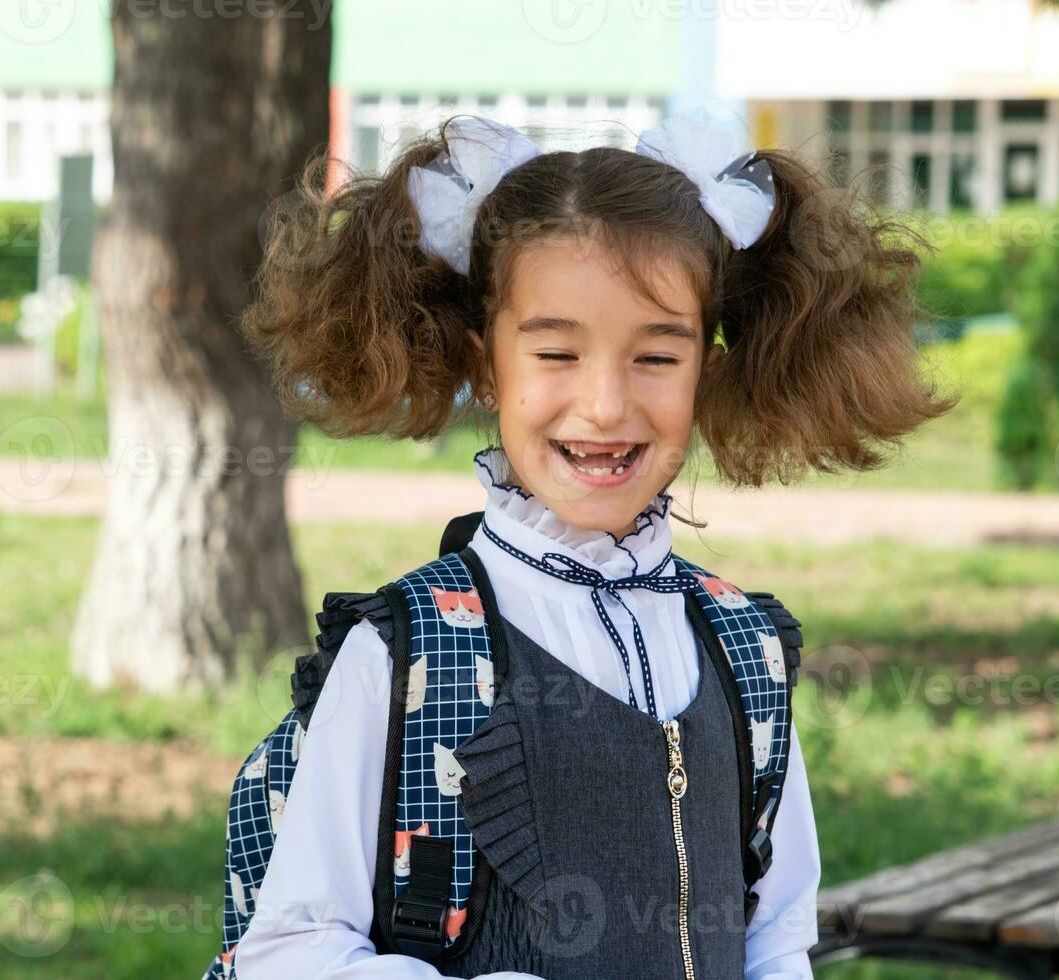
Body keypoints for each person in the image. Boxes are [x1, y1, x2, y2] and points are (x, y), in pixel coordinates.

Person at [230, 108, 957, 979]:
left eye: (656, 357)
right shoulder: (410, 657)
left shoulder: (744, 652)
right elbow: (291, 950)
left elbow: (778, 935)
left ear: (706, 373)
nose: (607, 405)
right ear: (486, 365)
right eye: (556, 355)